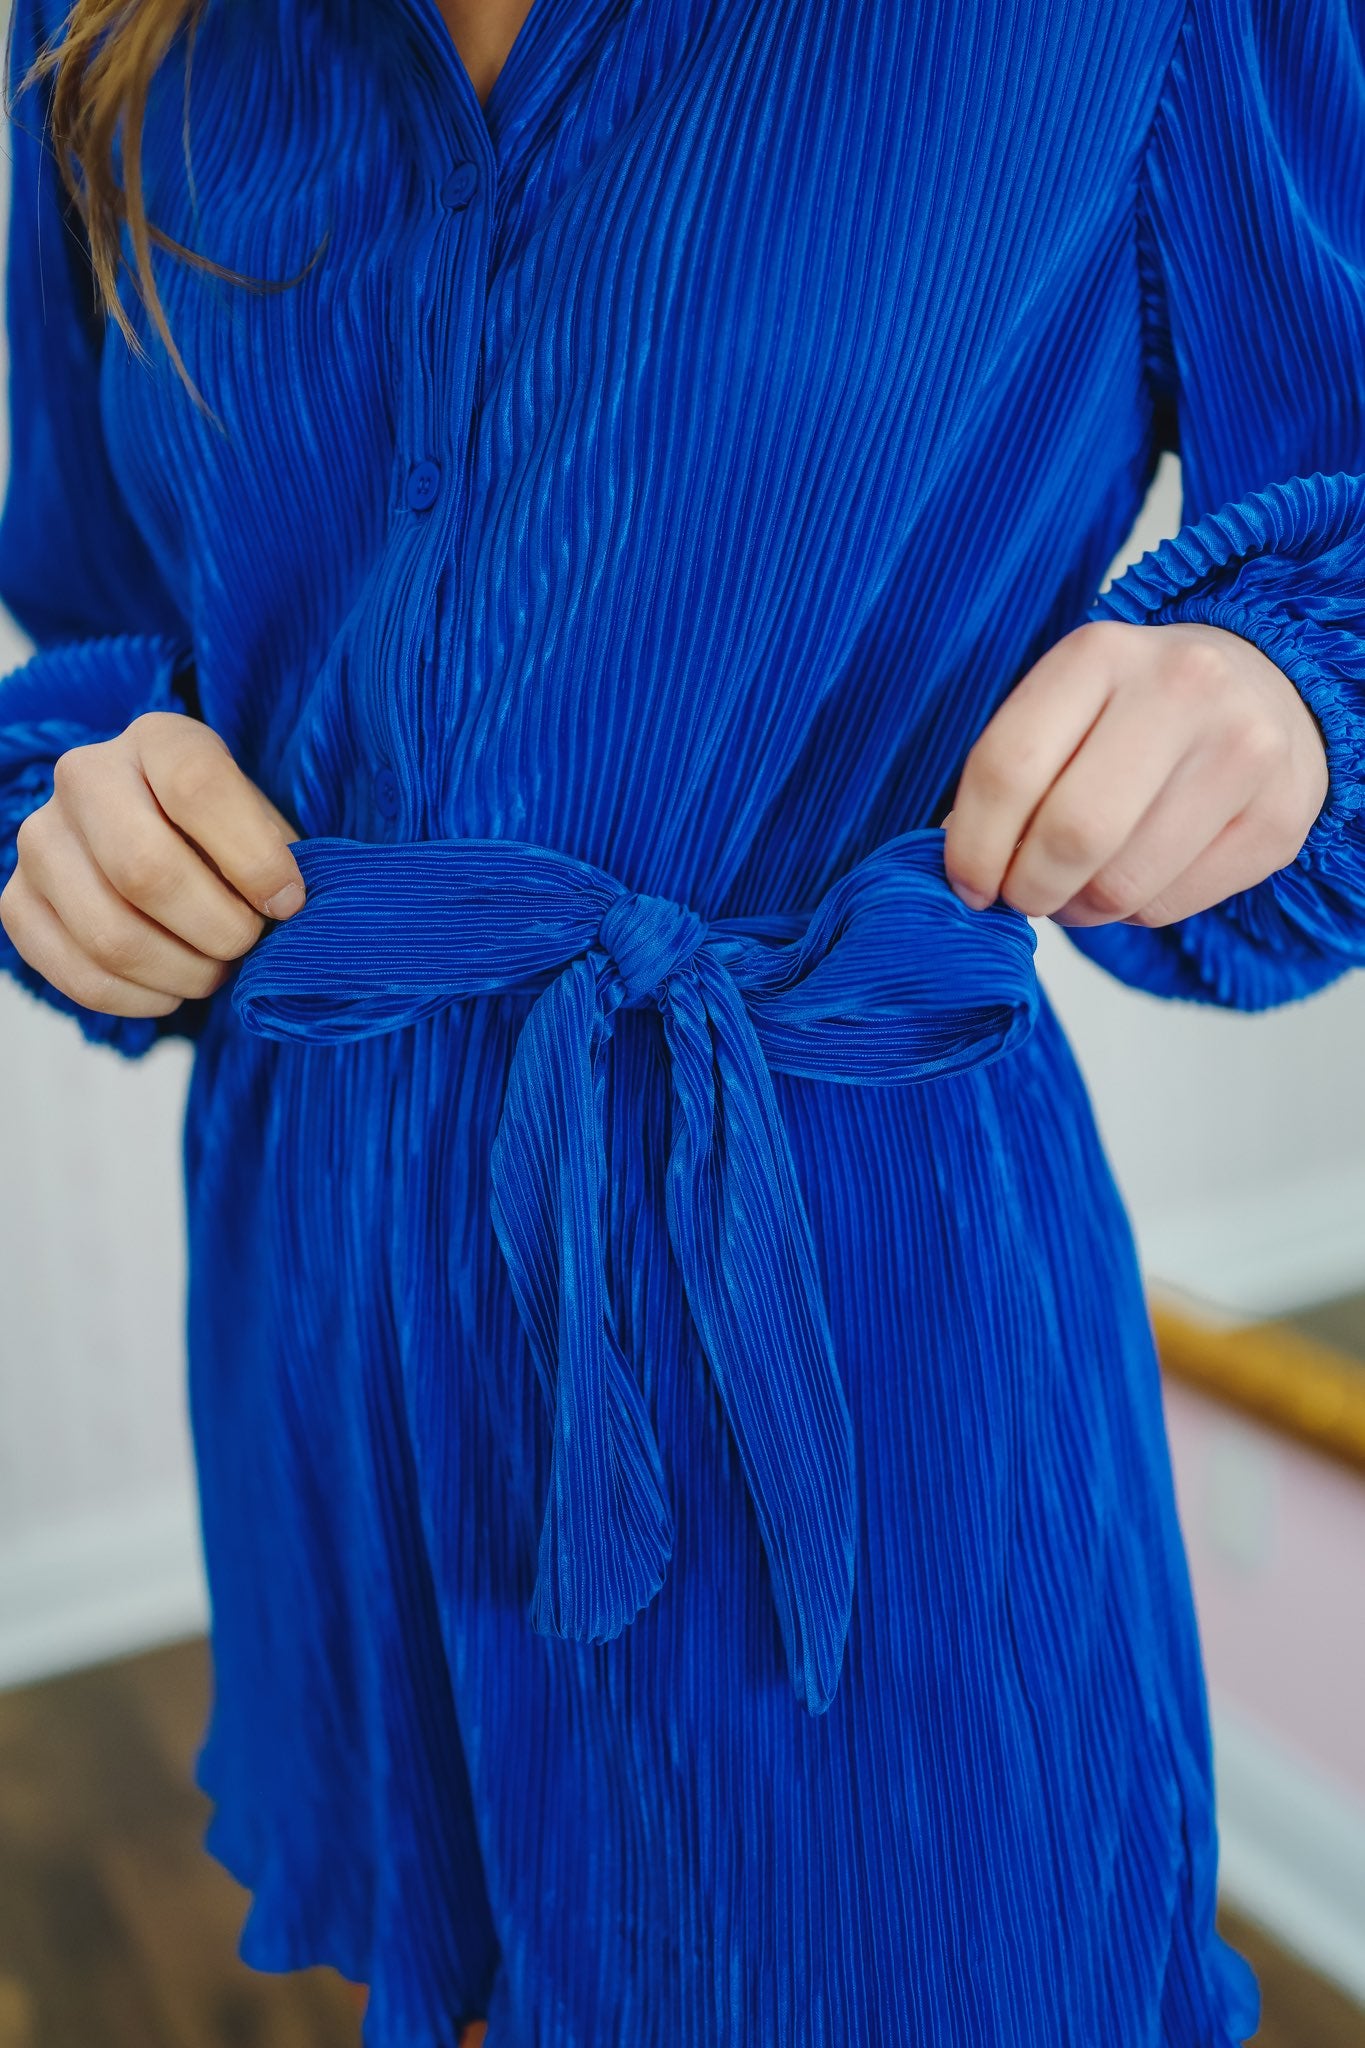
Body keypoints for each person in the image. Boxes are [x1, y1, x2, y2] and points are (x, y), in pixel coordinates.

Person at [1, 0, 1362, 2040]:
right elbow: (103, 630)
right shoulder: (102, 33)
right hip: (339, 1318)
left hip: (857, 1319)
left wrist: (1286, 704)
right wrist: (74, 813)